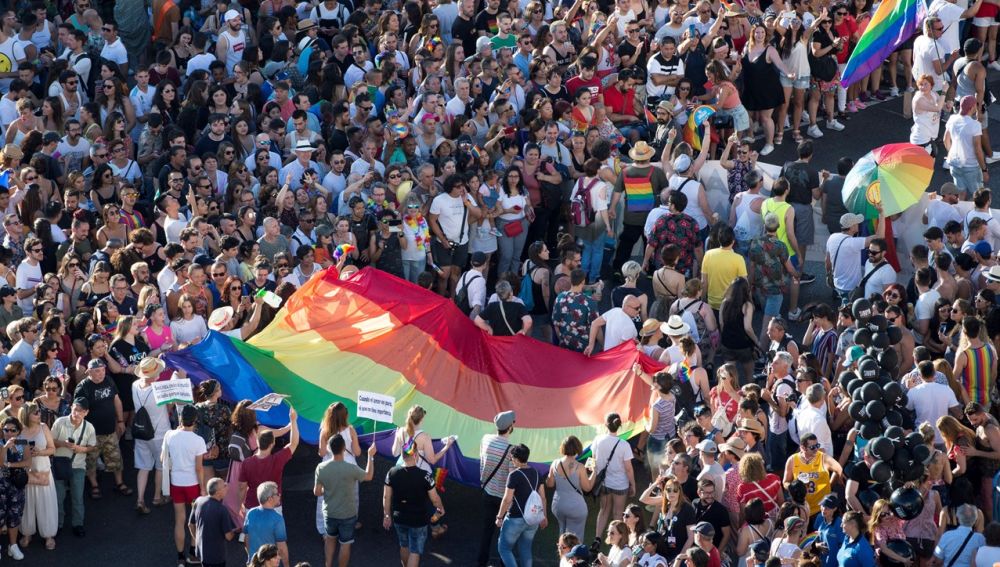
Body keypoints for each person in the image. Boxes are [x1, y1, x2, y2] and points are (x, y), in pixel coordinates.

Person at [314, 435, 377, 567]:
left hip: (329, 513)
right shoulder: (351, 468)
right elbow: (369, 476)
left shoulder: (321, 467)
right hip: (348, 514)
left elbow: (317, 492)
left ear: (329, 448)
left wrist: (330, 489)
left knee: (330, 540)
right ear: (344, 449)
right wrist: (370, 456)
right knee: (345, 544)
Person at [384, 434, 446, 567]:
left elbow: (386, 497)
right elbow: (435, 499)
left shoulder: (391, 472)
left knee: (404, 546)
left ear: (402, 456)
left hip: (399, 518)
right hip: (418, 520)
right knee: (415, 551)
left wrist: (386, 515)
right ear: (416, 455)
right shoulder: (425, 476)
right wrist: (440, 508)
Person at [163, 404, 207, 567]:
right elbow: (199, 468)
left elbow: (163, 459)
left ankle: (180, 557)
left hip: (176, 482)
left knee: (179, 520)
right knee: (194, 520)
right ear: (195, 420)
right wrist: (203, 488)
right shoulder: (198, 441)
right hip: (193, 484)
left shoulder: (170, 435)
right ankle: (192, 553)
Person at [495, 443, 546, 567]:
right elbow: (543, 497)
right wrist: (544, 516)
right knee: (525, 549)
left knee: (504, 549)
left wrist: (499, 517)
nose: (511, 460)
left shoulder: (514, 475)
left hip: (515, 518)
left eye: (512, 458)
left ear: (517, 459)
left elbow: (507, 499)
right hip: (533, 518)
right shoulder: (537, 473)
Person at [50, 398, 95, 537]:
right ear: (71, 408)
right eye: (75, 409)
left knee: (77, 497)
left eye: (81, 411)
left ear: (86, 412)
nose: (77, 413)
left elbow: (91, 447)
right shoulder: (60, 422)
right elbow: (50, 442)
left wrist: (80, 449)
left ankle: (78, 524)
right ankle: (58, 524)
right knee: (58, 497)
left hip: (78, 466)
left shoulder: (89, 427)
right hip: (59, 464)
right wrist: (63, 444)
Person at [479, 410, 515, 567]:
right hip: (503, 497)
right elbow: (512, 477)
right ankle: (503, 563)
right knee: (505, 534)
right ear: (510, 427)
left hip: (487, 491)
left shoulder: (486, 439)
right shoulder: (512, 450)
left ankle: (481, 562)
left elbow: (482, 461)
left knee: (487, 531)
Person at [188, 477, 238, 567]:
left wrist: (197, 540)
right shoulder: (222, 510)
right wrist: (235, 529)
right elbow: (229, 536)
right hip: (216, 557)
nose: (227, 486)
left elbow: (190, 525)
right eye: (224, 486)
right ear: (218, 492)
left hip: (202, 553)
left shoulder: (198, 501)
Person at [244, 482, 289, 567]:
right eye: (277, 494)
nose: (279, 495)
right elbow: (281, 548)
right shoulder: (277, 519)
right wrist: (287, 565)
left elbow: (246, 539)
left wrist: (250, 558)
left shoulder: (250, 513)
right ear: (270, 499)